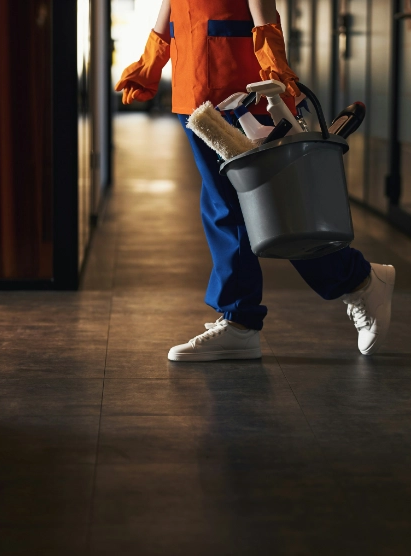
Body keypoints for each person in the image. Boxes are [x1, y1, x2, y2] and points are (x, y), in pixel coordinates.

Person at [116, 0, 395, 361]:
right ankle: (242, 320)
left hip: (241, 89)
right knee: (227, 207)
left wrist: (274, 64)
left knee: (270, 207)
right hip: (194, 89)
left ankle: (354, 282)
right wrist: (151, 62)